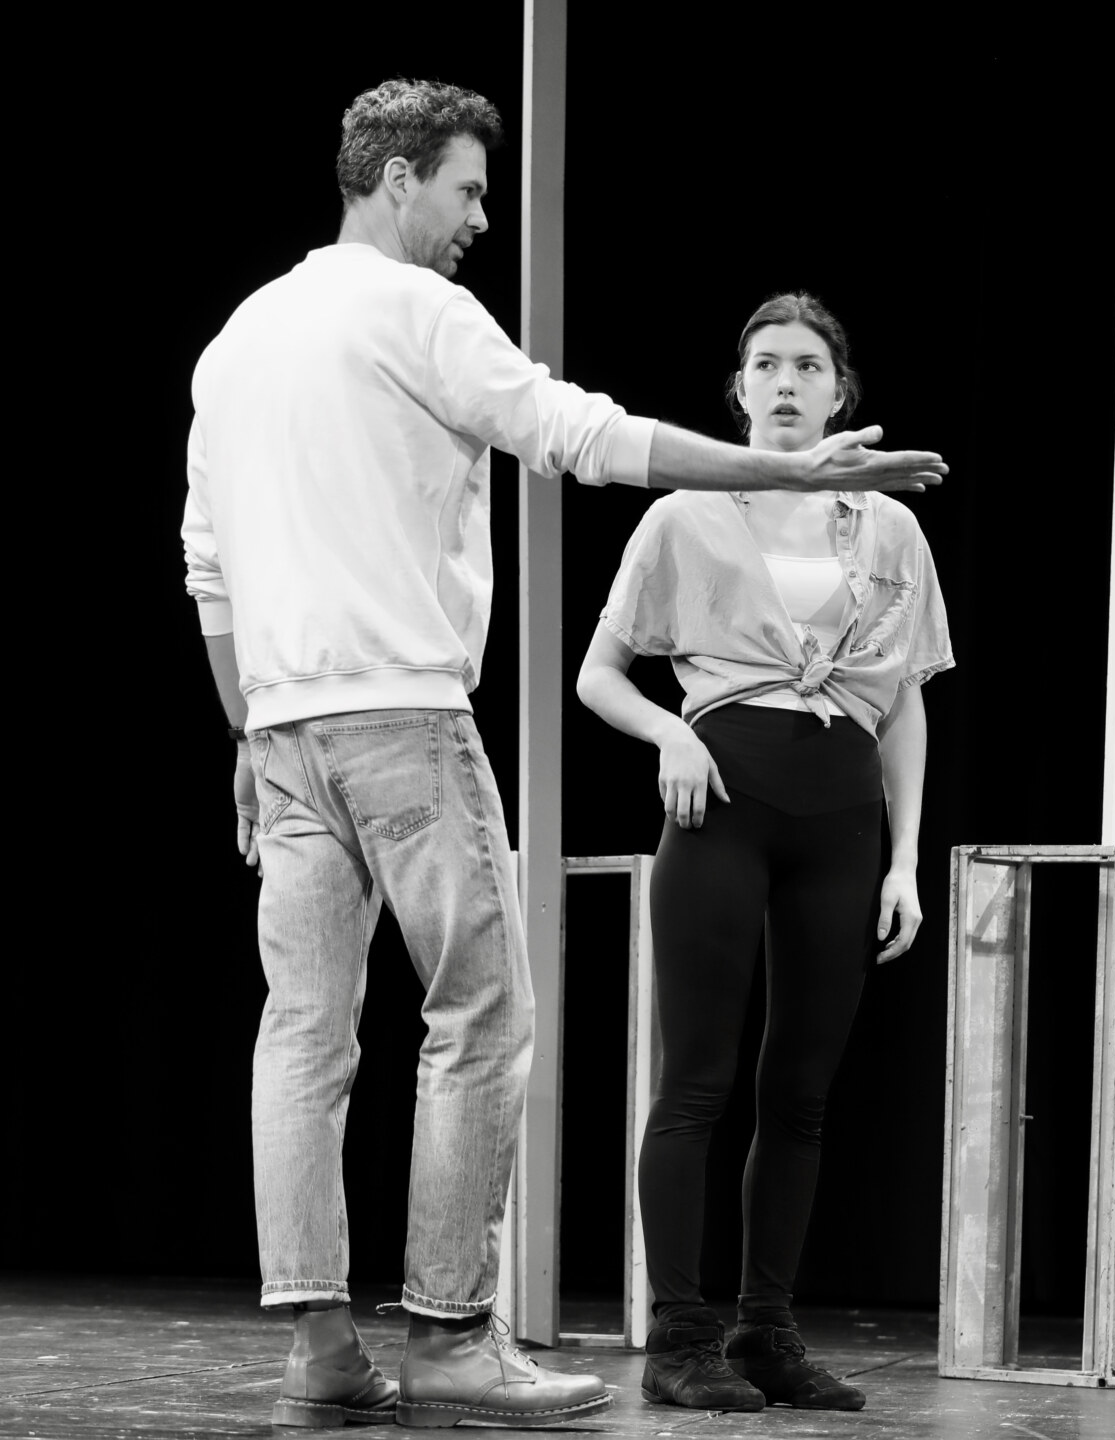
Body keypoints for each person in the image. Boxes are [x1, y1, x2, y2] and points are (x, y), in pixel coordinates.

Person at [181, 79, 943, 1431]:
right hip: (401, 712)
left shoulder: (238, 339)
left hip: (286, 725)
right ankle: (451, 1338)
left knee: (301, 1034)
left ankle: (320, 1351)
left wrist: (248, 723)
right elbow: (577, 434)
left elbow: (209, 562)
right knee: (484, 1014)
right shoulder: (414, 309)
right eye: (469, 188)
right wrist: (783, 473)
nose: (481, 217)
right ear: (400, 179)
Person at [576, 292, 954, 1413]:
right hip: (723, 806)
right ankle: (678, 1338)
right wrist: (671, 733)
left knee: (801, 1092)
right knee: (696, 1081)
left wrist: (905, 859)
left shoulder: (889, 526)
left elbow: (906, 703)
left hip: (841, 820)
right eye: (765, 365)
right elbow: (598, 675)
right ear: (738, 392)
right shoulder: (685, 514)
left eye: (807, 366)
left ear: (842, 394)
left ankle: (766, 1332)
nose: (786, 382)